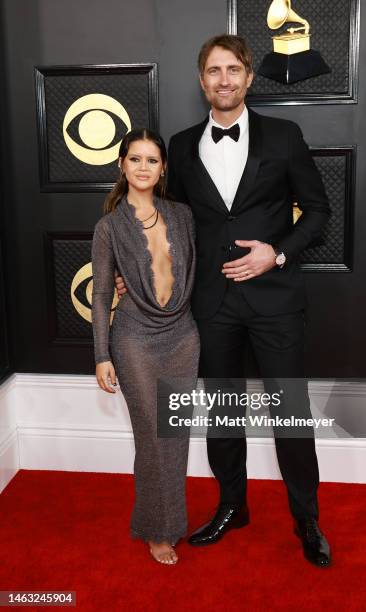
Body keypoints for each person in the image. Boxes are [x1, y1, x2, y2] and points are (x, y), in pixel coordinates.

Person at [115, 34, 332, 567]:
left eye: (233, 69)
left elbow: (321, 213)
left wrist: (275, 254)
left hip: (275, 300)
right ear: (202, 79)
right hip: (210, 305)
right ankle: (233, 506)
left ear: (250, 77)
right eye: (214, 70)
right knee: (223, 416)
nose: (224, 79)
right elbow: (167, 227)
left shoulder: (284, 136)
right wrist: (132, 275)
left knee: (291, 417)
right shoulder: (183, 147)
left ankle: (307, 520)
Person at [91, 128, 199, 565]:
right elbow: (101, 294)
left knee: (173, 435)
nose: (142, 167)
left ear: (162, 168)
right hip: (134, 339)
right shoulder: (109, 227)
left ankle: (168, 521)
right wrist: (101, 355)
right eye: (134, 159)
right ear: (121, 165)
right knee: (152, 439)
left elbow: (198, 270)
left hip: (183, 336)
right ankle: (157, 530)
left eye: (151, 160)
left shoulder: (183, 216)